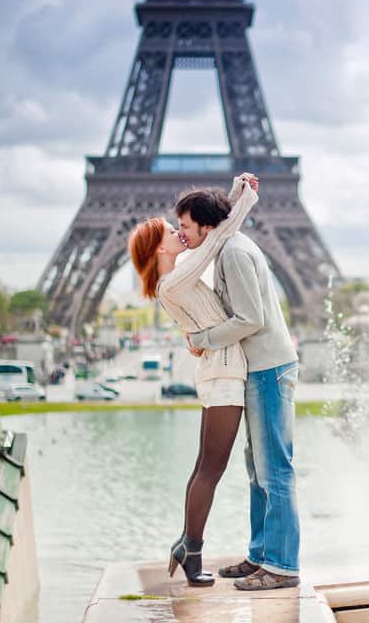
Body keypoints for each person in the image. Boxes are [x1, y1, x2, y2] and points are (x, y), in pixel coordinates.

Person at [127, 174, 258, 587]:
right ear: (159, 247)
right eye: (171, 230)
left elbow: (210, 233)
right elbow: (216, 240)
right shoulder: (176, 280)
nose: (178, 232)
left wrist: (234, 195)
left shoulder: (175, 278)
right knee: (210, 469)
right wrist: (246, 200)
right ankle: (192, 547)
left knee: (206, 466)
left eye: (180, 226)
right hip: (222, 375)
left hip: (219, 370)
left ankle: (189, 545)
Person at [184, 181, 301, 591]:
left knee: (274, 472)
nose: (181, 234)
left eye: (185, 226)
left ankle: (282, 566)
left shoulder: (232, 252)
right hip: (262, 369)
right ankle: (261, 556)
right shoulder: (230, 246)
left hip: (268, 369)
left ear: (204, 225)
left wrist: (203, 340)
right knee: (258, 471)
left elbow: (251, 318)